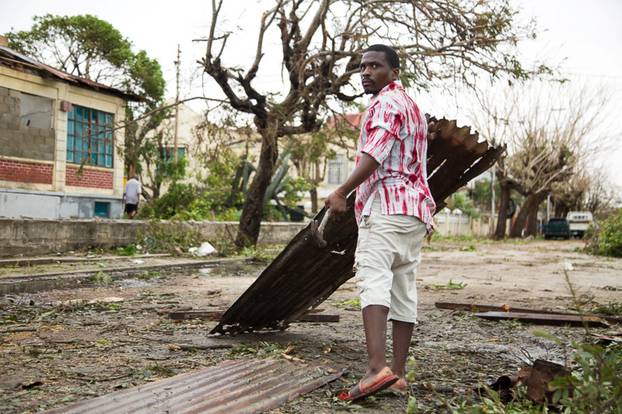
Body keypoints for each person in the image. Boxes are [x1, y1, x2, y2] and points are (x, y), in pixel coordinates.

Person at [326, 44, 435, 402]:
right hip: (415, 210)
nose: (366, 72)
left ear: (394, 72)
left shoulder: (386, 104)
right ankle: (398, 375)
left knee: (373, 278)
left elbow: (376, 152)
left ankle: (376, 370)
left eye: (375, 66)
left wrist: (342, 190)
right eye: (363, 66)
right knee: (403, 286)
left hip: (387, 207)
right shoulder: (412, 107)